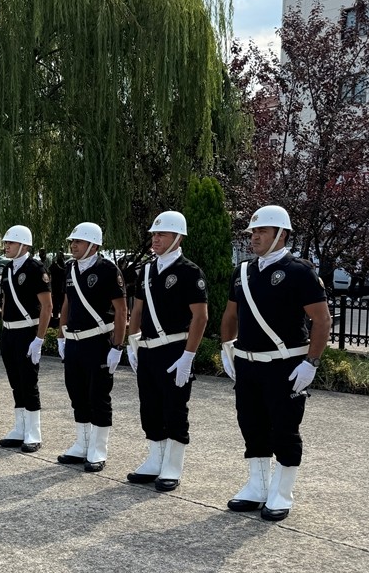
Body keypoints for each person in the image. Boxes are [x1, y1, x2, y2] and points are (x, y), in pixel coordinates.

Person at [221, 204, 331, 522]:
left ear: (281, 234)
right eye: (253, 231)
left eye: (262, 231)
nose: (255, 236)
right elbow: (230, 316)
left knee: (284, 428)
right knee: (251, 425)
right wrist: (228, 351)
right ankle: (257, 486)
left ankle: (282, 493)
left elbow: (321, 321)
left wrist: (311, 362)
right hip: (248, 364)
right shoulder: (243, 271)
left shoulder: (300, 271)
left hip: (285, 365)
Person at [125, 211, 209, 492]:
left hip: (174, 348)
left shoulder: (189, 271)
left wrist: (189, 356)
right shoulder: (147, 270)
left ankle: (172, 465)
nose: (155, 238)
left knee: (174, 408)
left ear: (178, 237)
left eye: (161, 234)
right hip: (148, 349)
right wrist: (132, 342)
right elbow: (136, 309)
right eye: (154, 234)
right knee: (149, 407)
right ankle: (154, 459)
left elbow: (201, 317)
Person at [56, 222, 127, 472]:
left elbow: (121, 310)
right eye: (72, 242)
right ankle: (82, 443)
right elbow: (67, 303)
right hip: (74, 342)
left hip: (97, 341)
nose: (73, 246)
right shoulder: (70, 269)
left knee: (98, 396)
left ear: (93, 245)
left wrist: (117, 346)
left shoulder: (107, 269)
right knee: (76, 394)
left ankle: (98, 449)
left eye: (79, 241)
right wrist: (61, 336)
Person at [0, 225, 53, 453]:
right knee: (15, 383)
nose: (6, 246)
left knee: (28, 383)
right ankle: (19, 428)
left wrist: (39, 339)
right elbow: (7, 300)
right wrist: (2, 329)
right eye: (6, 243)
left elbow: (47, 306)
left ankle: (33, 432)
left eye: (10, 242)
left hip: (27, 332)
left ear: (23, 244)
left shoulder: (35, 268)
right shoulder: (9, 269)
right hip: (10, 332)